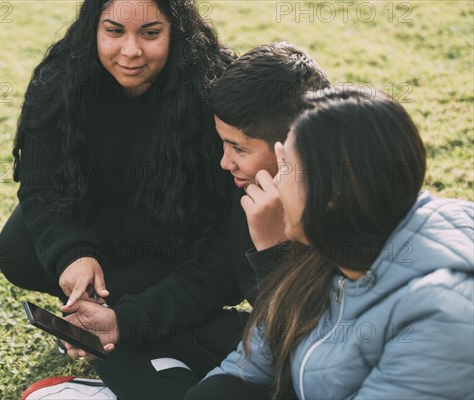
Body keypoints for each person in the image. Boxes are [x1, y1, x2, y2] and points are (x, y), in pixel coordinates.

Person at [21, 43, 330, 399]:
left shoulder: (344, 205)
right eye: (223, 145)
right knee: (118, 337)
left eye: (239, 149)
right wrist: (122, 323)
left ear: (289, 146)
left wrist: (274, 249)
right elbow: (212, 277)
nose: (225, 162)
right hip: (263, 343)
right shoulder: (251, 187)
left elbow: (316, 346)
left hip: (308, 368)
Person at [187, 88, 474, 399]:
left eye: (285, 169)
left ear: (331, 197)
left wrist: (273, 254)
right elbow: (252, 363)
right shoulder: (333, 251)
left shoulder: (438, 316)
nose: (274, 182)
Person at [0, 0, 235, 331]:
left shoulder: (213, 86)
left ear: (177, 32)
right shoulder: (59, 80)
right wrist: (73, 254)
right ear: (93, 28)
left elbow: (223, 215)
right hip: (100, 221)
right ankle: (95, 303)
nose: (130, 51)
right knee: (17, 249)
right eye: (114, 31)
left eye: (150, 33)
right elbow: (42, 185)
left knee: (151, 286)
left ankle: (134, 313)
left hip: (170, 237)